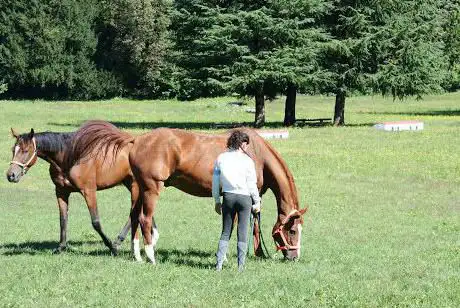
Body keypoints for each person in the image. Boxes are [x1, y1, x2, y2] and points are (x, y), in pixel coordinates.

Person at [212, 130, 261, 271]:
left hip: (228, 197)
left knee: (226, 231)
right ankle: (241, 266)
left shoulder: (221, 158)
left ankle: (219, 264)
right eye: (246, 144)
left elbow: (215, 182)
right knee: (242, 232)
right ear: (242, 143)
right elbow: (252, 184)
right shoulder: (248, 161)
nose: (247, 147)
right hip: (244, 198)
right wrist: (256, 202)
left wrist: (216, 200)